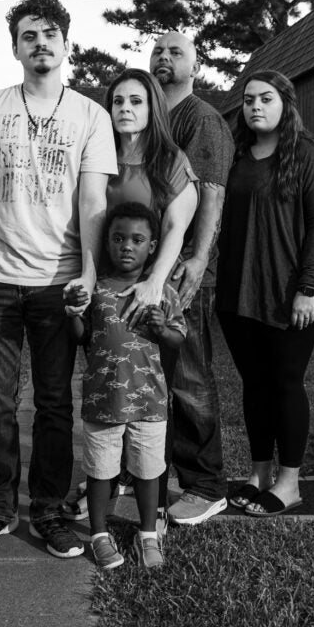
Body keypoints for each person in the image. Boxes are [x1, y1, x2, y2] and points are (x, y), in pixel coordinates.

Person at [0, 0, 117, 557]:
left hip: (58, 282)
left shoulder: (91, 116)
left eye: (49, 34)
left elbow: (94, 203)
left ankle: (47, 511)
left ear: (65, 44)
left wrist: (90, 275)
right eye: (28, 35)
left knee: (54, 403)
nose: (40, 43)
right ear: (15, 46)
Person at [61, 68, 198, 523]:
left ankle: (151, 504)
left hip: (150, 289)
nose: (125, 109)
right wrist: (87, 277)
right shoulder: (98, 154)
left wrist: (157, 282)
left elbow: (178, 226)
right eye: (118, 101)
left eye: (136, 101)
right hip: (103, 290)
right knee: (105, 391)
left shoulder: (169, 159)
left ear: (151, 107)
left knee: (154, 396)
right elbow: (90, 217)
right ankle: (100, 482)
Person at [216, 70, 314, 517]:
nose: (255, 107)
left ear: (285, 103)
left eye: (266, 99)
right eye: (249, 100)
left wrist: (307, 289)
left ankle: (289, 484)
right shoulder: (236, 157)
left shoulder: (309, 157)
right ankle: (259, 474)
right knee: (254, 385)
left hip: (291, 293)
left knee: (286, 384)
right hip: (239, 292)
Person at [65, 202, 186, 570]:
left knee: (149, 471)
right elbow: (82, 337)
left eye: (137, 239)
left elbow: (177, 339)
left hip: (149, 403)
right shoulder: (95, 288)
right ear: (107, 242)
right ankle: (99, 534)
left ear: (152, 246)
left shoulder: (161, 292)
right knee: (101, 471)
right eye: (118, 238)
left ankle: (148, 533)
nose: (127, 246)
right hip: (103, 401)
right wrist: (72, 311)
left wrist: (162, 325)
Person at [149, 32, 236, 526]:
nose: (164, 57)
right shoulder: (157, 117)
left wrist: (198, 260)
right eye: (158, 51)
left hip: (184, 271)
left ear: (195, 66)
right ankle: (147, 471)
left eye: (175, 52)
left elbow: (211, 195)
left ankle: (206, 484)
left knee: (189, 378)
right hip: (153, 266)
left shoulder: (201, 119)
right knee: (153, 376)